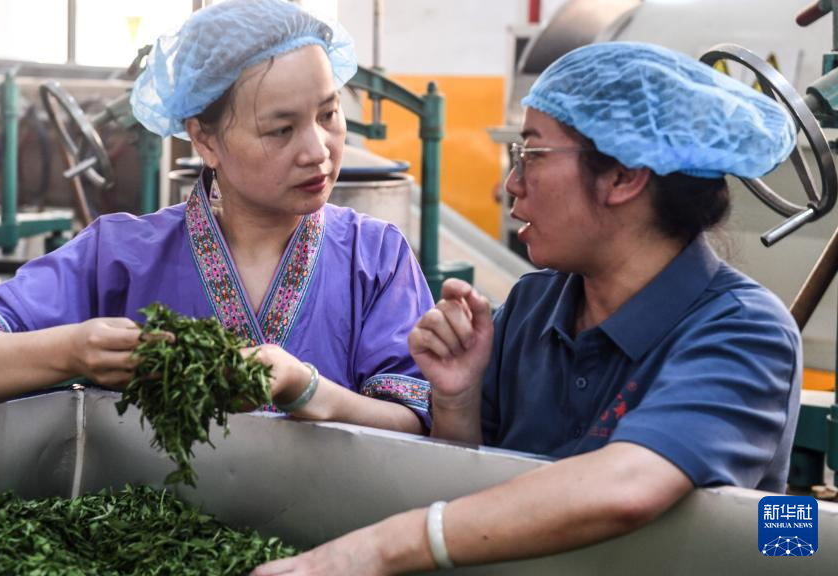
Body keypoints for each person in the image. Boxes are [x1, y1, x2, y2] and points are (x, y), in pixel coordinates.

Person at [253, 41, 801, 574]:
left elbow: (629, 486)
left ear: (623, 176)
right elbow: (463, 487)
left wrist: (379, 548)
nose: (511, 184)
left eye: (532, 154)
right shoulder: (533, 306)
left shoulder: (745, 331)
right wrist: (458, 398)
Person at [0, 0, 433, 434]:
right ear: (205, 139)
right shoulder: (117, 256)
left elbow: (416, 427)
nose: (318, 150)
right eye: (281, 129)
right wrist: (72, 350)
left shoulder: (376, 257)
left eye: (329, 114)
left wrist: (304, 388)